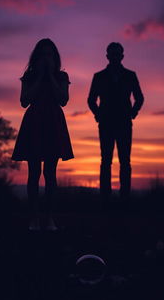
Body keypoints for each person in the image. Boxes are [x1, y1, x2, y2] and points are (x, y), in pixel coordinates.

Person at [11, 38, 74, 230]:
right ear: (37, 57)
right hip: (34, 122)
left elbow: (63, 99)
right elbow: (24, 100)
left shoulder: (61, 77)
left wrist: (51, 76)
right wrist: (39, 77)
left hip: (53, 122)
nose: (46, 58)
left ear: (54, 57)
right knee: (34, 173)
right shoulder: (29, 76)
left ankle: (48, 216)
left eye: (50, 54)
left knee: (50, 173)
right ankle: (34, 217)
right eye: (43, 54)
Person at [87, 42, 144, 206]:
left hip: (124, 123)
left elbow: (139, 98)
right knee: (106, 161)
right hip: (106, 124)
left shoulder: (130, 75)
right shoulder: (99, 76)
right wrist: (98, 115)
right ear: (107, 56)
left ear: (122, 56)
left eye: (117, 54)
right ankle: (105, 199)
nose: (115, 57)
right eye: (112, 54)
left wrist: (132, 113)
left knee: (125, 161)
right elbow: (91, 100)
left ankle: (124, 199)